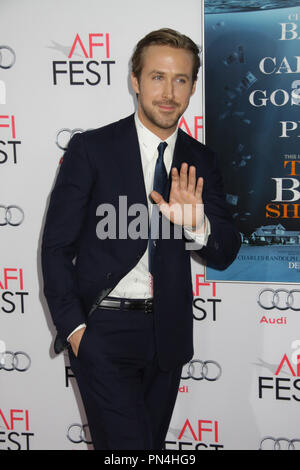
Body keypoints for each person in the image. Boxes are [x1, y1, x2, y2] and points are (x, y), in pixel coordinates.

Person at [41, 28, 240, 450]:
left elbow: (224, 252)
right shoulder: (92, 149)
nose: (169, 92)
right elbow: (57, 248)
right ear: (135, 80)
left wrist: (196, 224)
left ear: (192, 86)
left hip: (168, 334)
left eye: (181, 79)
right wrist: (75, 329)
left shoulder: (202, 159)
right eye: (157, 77)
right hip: (103, 330)